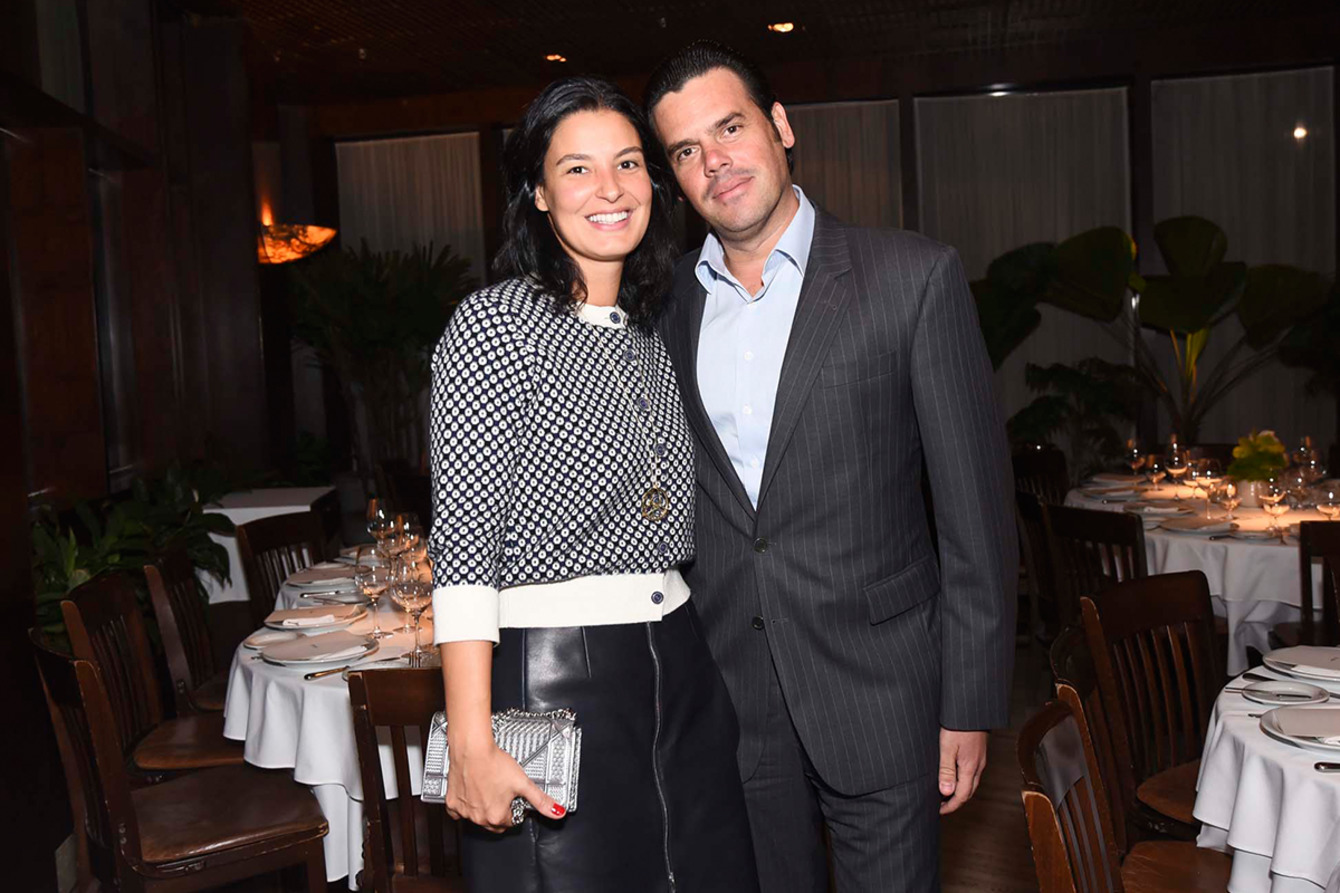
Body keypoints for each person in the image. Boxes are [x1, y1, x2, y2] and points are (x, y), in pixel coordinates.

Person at [645, 42, 1017, 892]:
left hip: (882, 693)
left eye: (730, 127)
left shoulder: (911, 277)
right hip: (734, 699)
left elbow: (977, 517)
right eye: (687, 150)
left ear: (780, 126)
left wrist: (969, 702)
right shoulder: (665, 308)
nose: (715, 161)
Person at [426, 76, 759, 893]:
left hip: (682, 668)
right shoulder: (496, 322)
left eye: (628, 163)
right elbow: (464, 547)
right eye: (577, 169)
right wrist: (470, 742)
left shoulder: (650, 330)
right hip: (555, 679)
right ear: (538, 193)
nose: (609, 188)